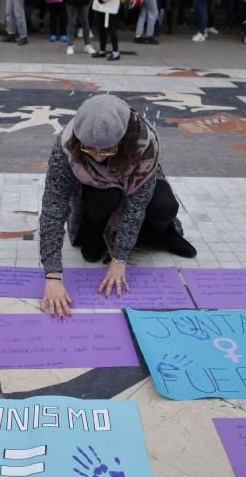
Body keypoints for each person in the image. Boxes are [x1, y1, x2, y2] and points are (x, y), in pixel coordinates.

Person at [39, 94, 196, 317]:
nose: (98, 157)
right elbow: (53, 206)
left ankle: (160, 235)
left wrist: (120, 258)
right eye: (89, 149)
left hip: (135, 184)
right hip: (95, 196)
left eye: (106, 149)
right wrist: (52, 275)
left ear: (123, 139)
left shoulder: (144, 143)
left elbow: (137, 205)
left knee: (164, 206)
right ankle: (92, 233)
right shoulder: (65, 145)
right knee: (105, 198)